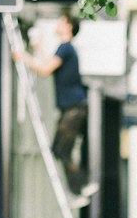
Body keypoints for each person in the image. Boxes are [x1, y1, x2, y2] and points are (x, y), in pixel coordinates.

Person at [13, 13, 97, 206]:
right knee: (60, 149)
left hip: (74, 107)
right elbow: (48, 65)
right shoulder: (65, 49)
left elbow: (44, 70)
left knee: (61, 149)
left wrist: (23, 57)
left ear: (68, 26)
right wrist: (37, 49)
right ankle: (81, 188)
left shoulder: (66, 48)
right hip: (73, 107)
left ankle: (81, 187)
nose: (57, 23)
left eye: (61, 20)